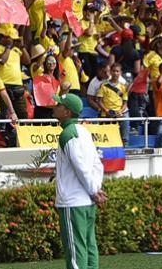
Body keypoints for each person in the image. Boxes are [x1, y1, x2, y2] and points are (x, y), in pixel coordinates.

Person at [52, 93, 105, 269]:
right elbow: (97, 163)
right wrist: (95, 189)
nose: (55, 106)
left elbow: (79, 166)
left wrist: (93, 191)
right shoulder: (84, 131)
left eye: (59, 105)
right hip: (87, 201)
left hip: (73, 202)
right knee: (89, 246)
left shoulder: (68, 133)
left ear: (67, 112)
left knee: (76, 250)